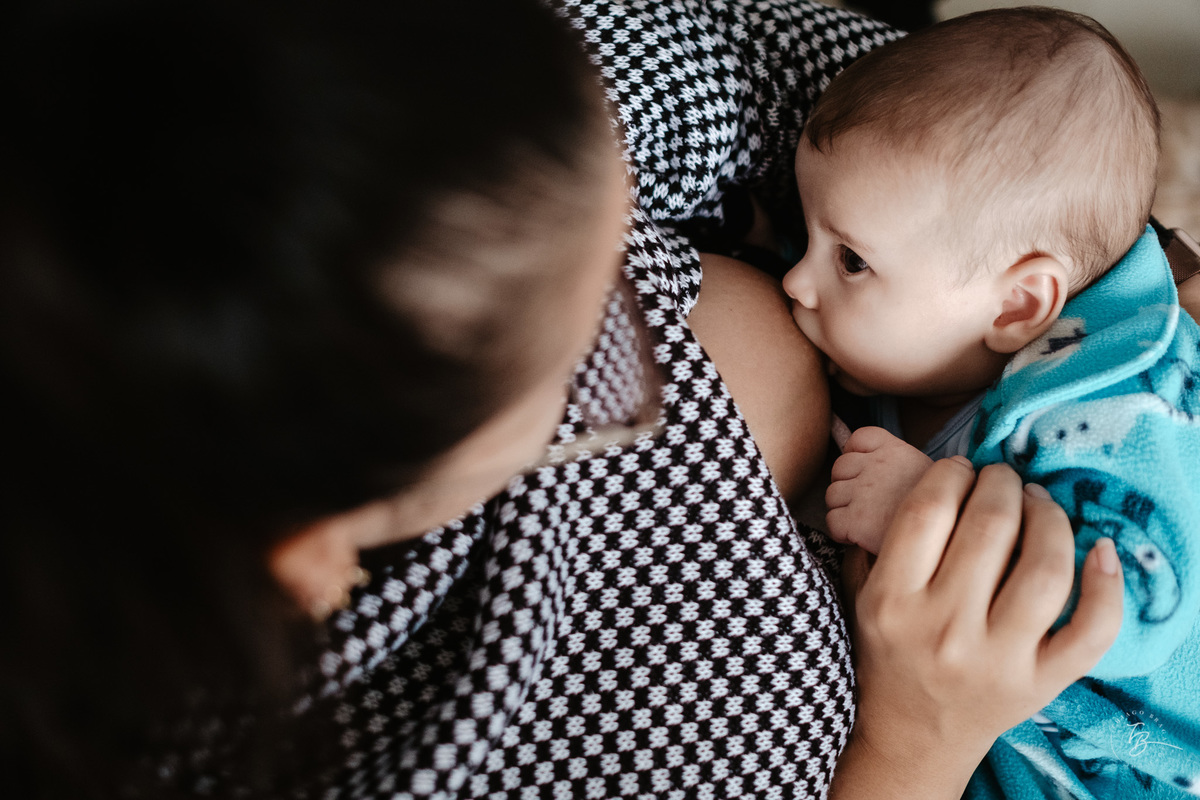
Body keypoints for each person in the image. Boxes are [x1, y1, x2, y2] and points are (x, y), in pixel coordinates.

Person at [1, 1, 1126, 798]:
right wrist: (916, 746)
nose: (672, 283)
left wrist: (1098, 240)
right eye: (593, 364)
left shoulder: (441, 111)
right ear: (310, 557)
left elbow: (745, 51)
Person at [779, 8, 1200, 798]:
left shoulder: (1125, 403)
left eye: (850, 261)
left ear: (1015, 307)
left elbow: (1133, 604)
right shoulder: (931, 364)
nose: (797, 283)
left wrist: (923, 509)